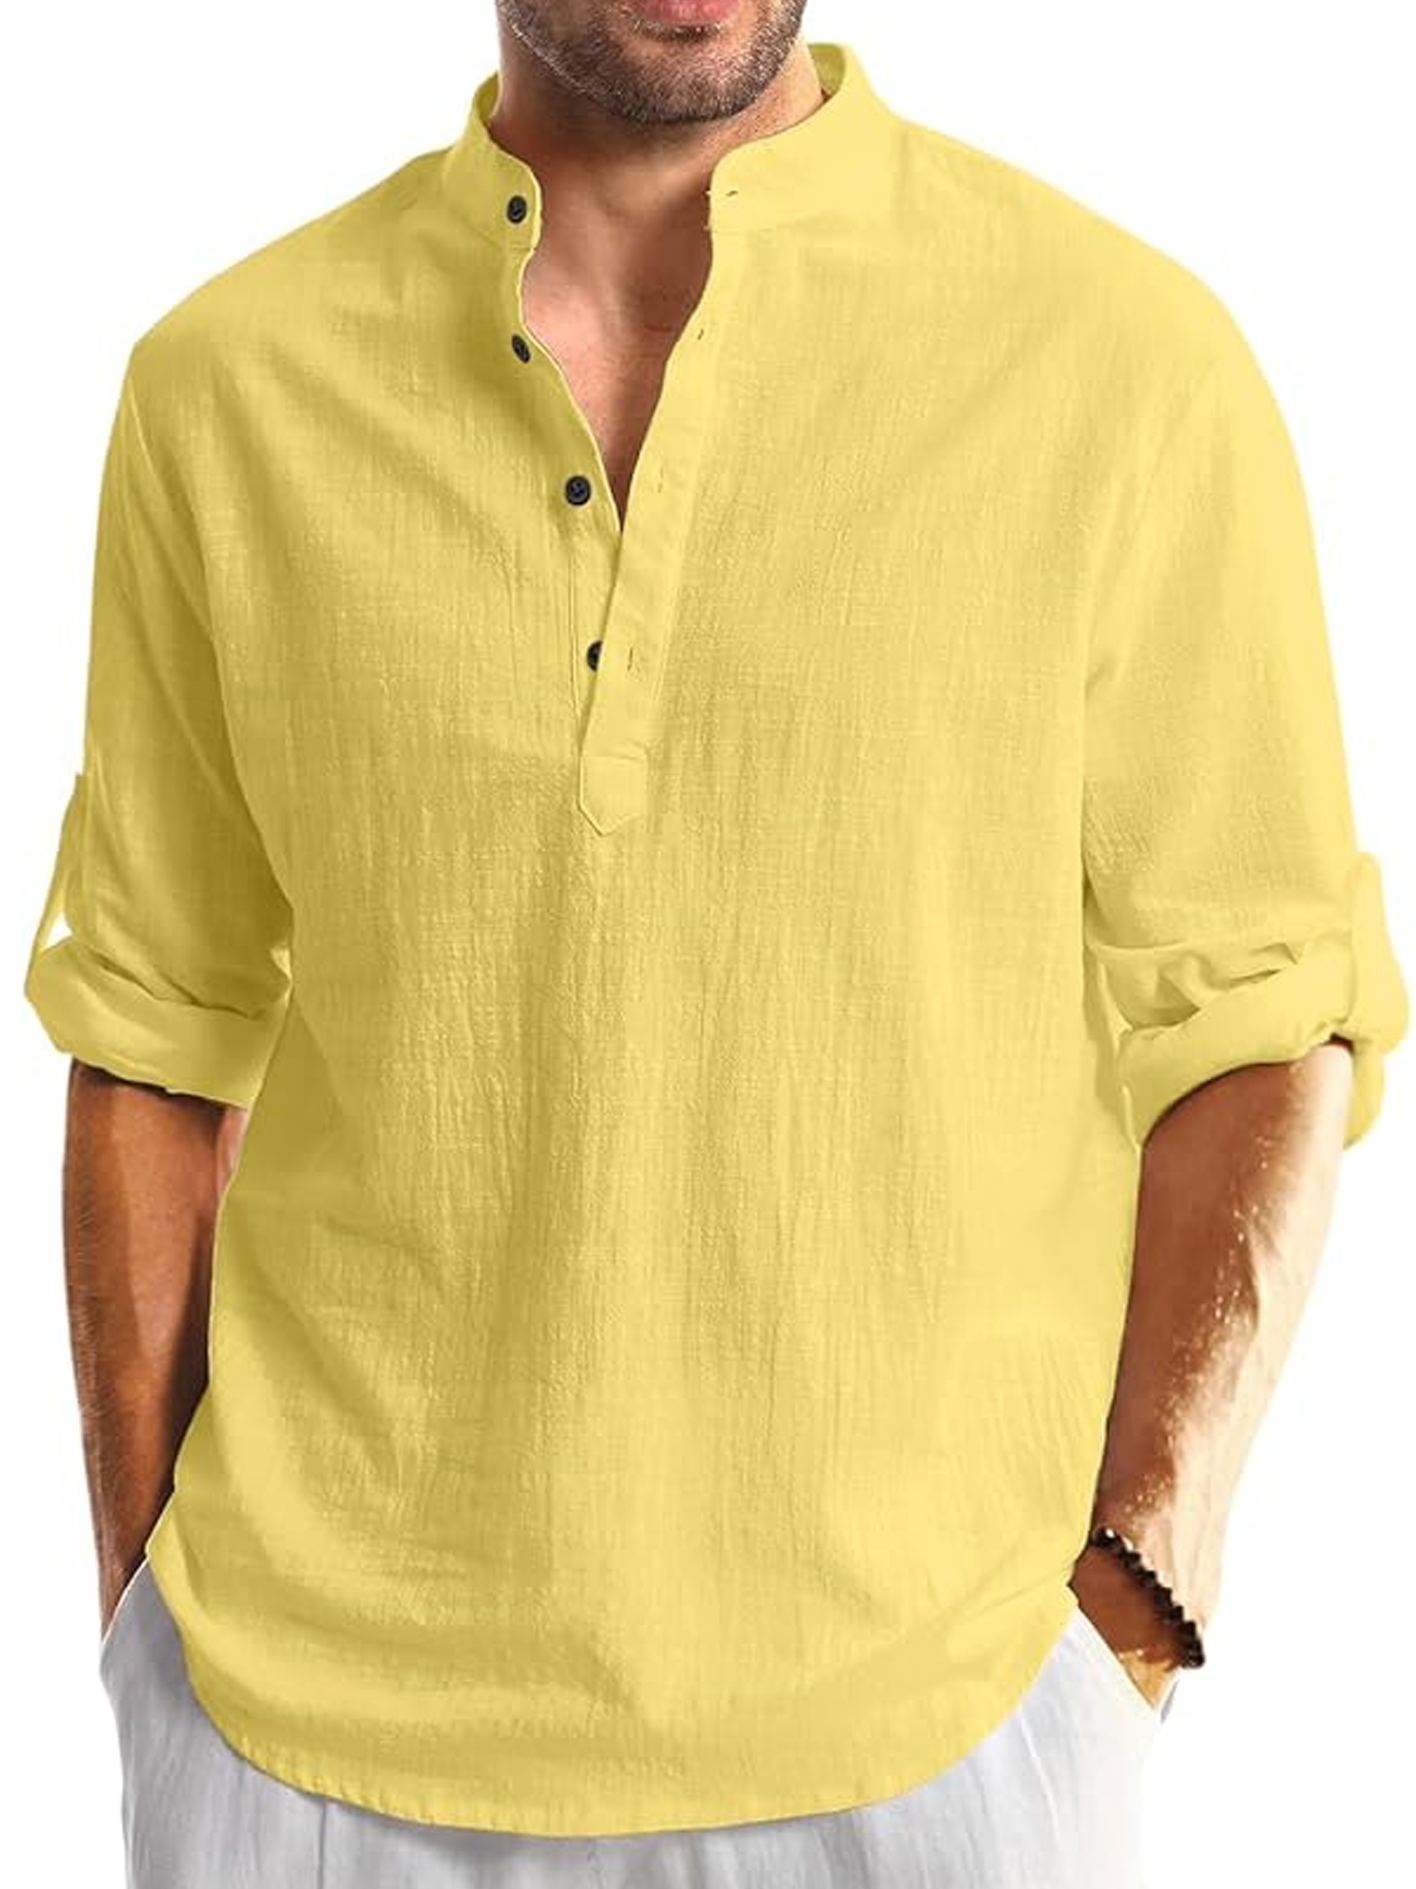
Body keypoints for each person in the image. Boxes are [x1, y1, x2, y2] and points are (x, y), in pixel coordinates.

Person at [21, 5, 1409, 1886]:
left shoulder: (1122, 363)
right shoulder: (226, 384)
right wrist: (142, 1620)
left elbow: (1262, 1012)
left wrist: (1136, 1601)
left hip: (938, 1735)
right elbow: (157, 1025)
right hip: (297, 1744)